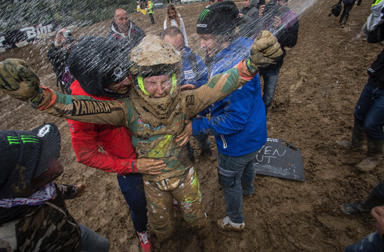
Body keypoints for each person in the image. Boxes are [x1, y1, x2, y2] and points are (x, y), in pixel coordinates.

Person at [0, 32, 282, 249]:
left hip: (184, 175)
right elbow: (82, 108)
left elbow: (219, 85)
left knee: (198, 219)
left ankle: (206, 240)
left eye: (165, 81)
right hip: (151, 181)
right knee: (162, 227)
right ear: (138, 81)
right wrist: (42, 97)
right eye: (151, 83)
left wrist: (251, 64)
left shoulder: (184, 101)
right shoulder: (126, 108)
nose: (158, 90)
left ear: (174, 77)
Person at [66, 36, 167, 252]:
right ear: (98, 85)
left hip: (156, 146)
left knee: (168, 187)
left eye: (126, 74)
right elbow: (85, 154)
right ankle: (142, 231)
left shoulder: (125, 69)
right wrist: (132, 166)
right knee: (138, 203)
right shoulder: (81, 108)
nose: (127, 82)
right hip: (129, 165)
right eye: (117, 80)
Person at [183, 1, 268, 231]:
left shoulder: (229, 66)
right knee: (249, 164)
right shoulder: (245, 46)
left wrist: (195, 126)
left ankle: (235, 220)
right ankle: (248, 189)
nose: (202, 44)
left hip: (236, 143)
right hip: (256, 133)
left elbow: (234, 120)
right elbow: (218, 88)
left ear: (224, 35)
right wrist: (200, 89)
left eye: (207, 38)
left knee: (229, 182)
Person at [0, 123, 109, 252]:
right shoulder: (7, 241)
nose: (57, 165)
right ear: (16, 186)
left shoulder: (37, 188)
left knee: (102, 245)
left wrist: (73, 191)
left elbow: (52, 189)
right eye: (41, 164)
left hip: (70, 229)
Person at [341, 0, 384, 171]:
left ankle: (374, 155)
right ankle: (355, 144)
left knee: (372, 124)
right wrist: (377, 17)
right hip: (375, 78)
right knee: (359, 114)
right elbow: (372, 37)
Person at [162, 26, 211, 162]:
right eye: (172, 50)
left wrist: (194, 86)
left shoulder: (193, 60)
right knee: (182, 141)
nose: (178, 54)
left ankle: (206, 151)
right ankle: (189, 158)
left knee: (201, 135)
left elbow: (206, 81)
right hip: (173, 114)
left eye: (180, 48)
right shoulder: (158, 66)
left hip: (194, 111)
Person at [258, 0, 298, 113]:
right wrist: (259, 18)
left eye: (281, 1)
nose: (278, 4)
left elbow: (292, 42)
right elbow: (253, 34)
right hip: (257, 62)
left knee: (268, 98)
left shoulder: (291, 17)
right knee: (251, 94)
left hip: (274, 64)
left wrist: (280, 28)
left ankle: (263, 117)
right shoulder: (266, 12)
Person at [47, 27, 75, 94]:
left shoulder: (73, 44)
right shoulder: (54, 50)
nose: (63, 35)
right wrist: (58, 42)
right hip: (67, 78)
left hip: (77, 75)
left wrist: (70, 49)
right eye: (61, 34)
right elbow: (51, 55)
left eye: (64, 33)